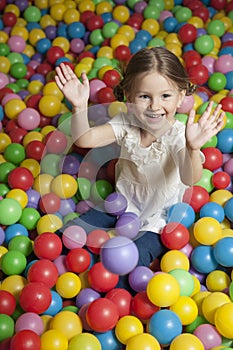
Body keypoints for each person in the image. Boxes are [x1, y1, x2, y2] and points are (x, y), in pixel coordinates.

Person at [55, 46, 224, 268]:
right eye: (144, 96)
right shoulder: (126, 122)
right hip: (120, 206)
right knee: (67, 236)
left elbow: (190, 178)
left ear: (180, 96)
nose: (155, 106)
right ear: (129, 95)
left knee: (134, 262)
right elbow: (85, 140)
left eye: (165, 96)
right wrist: (78, 106)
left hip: (158, 220)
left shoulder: (179, 135)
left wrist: (192, 148)